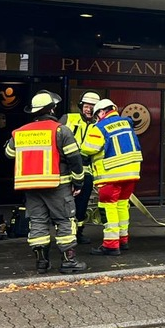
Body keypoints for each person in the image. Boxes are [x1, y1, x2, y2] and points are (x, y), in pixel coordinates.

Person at [4, 91, 86, 274]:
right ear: (52, 109)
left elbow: (9, 154)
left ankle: (41, 262)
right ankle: (69, 261)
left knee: (38, 222)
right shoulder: (60, 130)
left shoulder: (20, 132)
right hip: (58, 185)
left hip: (31, 186)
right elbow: (74, 159)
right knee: (64, 221)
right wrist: (78, 182)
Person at [81, 98, 142, 256]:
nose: (96, 118)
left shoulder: (99, 127)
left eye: (97, 115)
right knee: (122, 205)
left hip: (111, 174)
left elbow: (88, 148)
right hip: (132, 173)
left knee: (108, 207)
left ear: (102, 112)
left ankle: (111, 244)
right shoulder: (126, 123)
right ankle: (123, 239)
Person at [61, 91, 100, 245]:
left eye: (92, 107)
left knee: (82, 205)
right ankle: (65, 232)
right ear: (81, 106)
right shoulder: (68, 118)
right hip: (66, 169)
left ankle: (78, 232)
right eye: (86, 106)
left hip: (86, 171)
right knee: (65, 203)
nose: (89, 109)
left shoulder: (99, 125)